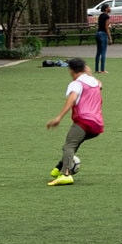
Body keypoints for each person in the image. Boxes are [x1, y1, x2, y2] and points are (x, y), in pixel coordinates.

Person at [46, 56, 105, 185]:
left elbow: (72, 99)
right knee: (74, 143)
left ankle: (66, 174)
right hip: (97, 124)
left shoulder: (76, 84)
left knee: (69, 145)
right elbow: (98, 83)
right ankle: (58, 167)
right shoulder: (95, 81)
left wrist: (59, 117)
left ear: (72, 70)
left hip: (84, 121)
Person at [94, 7, 112, 72]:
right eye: (109, 7)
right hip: (103, 34)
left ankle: (96, 69)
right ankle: (102, 70)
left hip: (98, 33)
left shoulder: (101, 15)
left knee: (98, 52)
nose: (110, 8)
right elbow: (106, 27)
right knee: (103, 52)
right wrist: (110, 37)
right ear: (106, 9)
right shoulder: (106, 16)